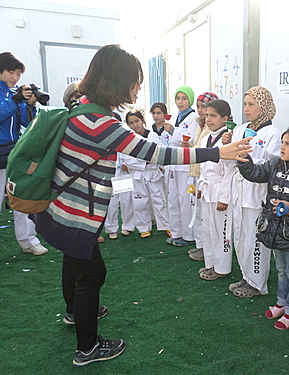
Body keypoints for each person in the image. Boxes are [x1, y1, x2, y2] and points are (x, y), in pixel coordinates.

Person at [28, 44, 252, 367]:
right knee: (91, 275)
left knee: (76, 264)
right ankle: (87, 348)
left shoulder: (85, 106)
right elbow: (157, 153)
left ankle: (75, 313)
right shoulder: (100, 122)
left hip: (62, 210)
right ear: (117, 80)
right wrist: (216, 153)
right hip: (75, 214)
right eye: (135, 81)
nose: (138, 88)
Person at [238, 127, 289, 330]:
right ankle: (281, 302)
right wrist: (243, 156)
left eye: (288, 144)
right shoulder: (274, 164)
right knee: (280, 270)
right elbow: (254, 173)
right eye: (282, 142)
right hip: (273, 228)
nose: (282, 147)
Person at [221, 86, 282, 298]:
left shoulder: (272, 134)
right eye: (245, 104)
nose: (246, 108)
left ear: (263, 106)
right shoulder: (240, 129)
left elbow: (271, 165)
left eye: (251, 104)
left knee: (255, 240)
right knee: (240, 237)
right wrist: (226, 145)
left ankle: (257, 282)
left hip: (257, 195)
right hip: (239, 192)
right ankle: (246, 276)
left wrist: (248, 160)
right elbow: (229, 159)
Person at [0, 51, 48, 256]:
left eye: (19, 74)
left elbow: (27, 124)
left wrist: (29, 105)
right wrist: (16, 100)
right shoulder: (11, 95)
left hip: (14, 151)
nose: (16, 77)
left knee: (21, 197)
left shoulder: (14, 94)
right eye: (12, 72)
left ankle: (28, 241)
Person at [197, 100, 233, 280]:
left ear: (225, 119)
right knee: (207, 228)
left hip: (219, 190)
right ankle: (210, 263)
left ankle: (222, 268)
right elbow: (204, 167)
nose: (208, 119)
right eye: (207, 115)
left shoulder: (228, 139)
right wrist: (200, 187)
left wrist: (224, 198)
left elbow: (229, 172)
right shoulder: (205, 139)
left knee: (221, 231)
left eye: (213, 116)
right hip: (207, 189)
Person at [121, 109, 169, 238]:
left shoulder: (152, 135)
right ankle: (143, 227)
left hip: (152, 173)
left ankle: (166, 225)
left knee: (159, 199)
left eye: (137, 121)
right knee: (140, 201)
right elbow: (128, 159)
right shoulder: (128, 139)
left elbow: (156, 152)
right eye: (131, 123)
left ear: (142, 120)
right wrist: (144, 162)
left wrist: (143, 159)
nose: (135, 125)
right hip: (137, 174)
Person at [163, 86, 198, 247]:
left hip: (185, 164)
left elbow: (188, 139)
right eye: (178, 98)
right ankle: (176, 232)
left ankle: (188, 236)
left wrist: (173, 132)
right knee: (173, 199)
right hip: (174, 164)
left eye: (184, 98)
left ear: (190, 100)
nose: (180, 102)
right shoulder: (176, 117)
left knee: (185, 200)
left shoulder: (193, 117)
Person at [186, 92, 219, 262]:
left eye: (204, 107)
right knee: (198, 213)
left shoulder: (214, 128)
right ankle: (201, 246)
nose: (200, 111)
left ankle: (207, 250)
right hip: (196, 173)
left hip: (205, 176)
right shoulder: (200, 125)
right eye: (199, 107)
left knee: (207, 217)